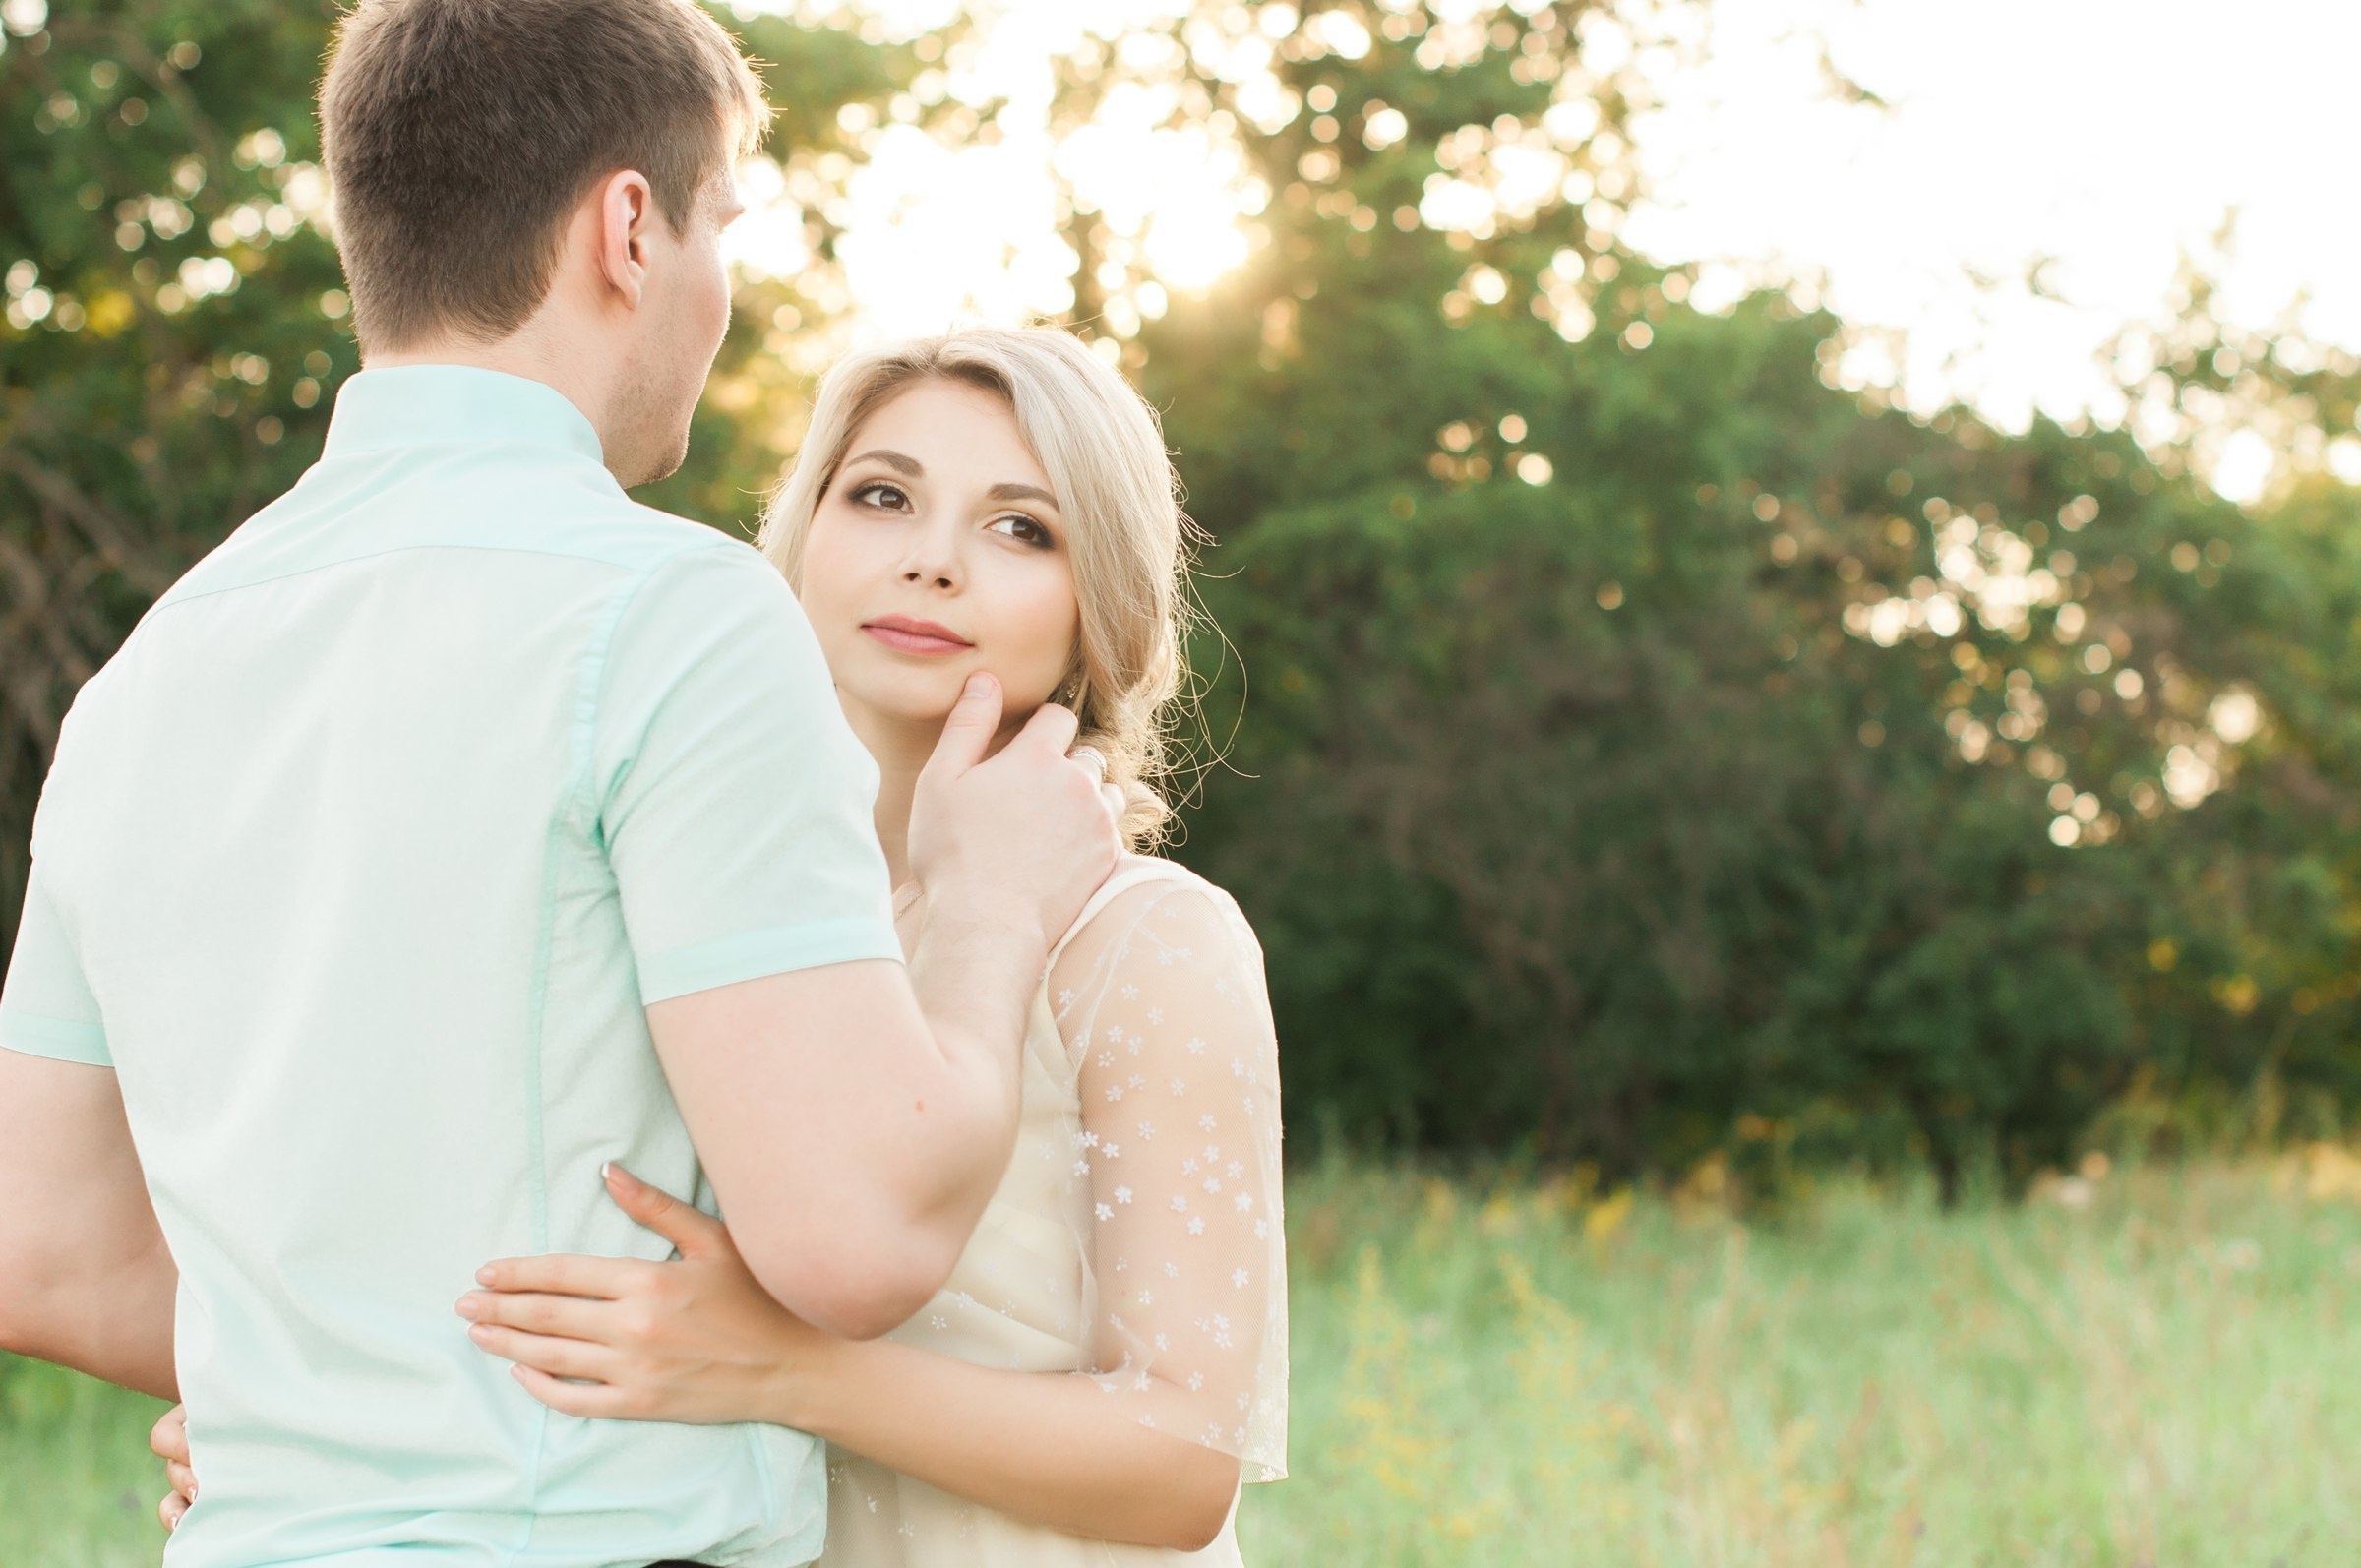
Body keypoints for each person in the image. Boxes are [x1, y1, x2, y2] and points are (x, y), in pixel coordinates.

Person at [0, 3, 1120, 1565]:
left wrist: (342, 1391)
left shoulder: (144, 680)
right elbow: (857, 1232)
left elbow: (47, 1254)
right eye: (723, 223)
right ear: (629, 228)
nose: (724, 285)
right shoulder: (673, 615)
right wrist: (992, 907)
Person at [159, 328, 1294, 1562]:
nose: (931, 562)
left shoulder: (1152, 941)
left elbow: (1185, 1462)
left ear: (1099, 607)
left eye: (1021, 528)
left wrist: (788, 1372)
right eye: (882, 497)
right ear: (799, 540)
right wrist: (314, 1435)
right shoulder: (704, 915)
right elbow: (578, 1269)